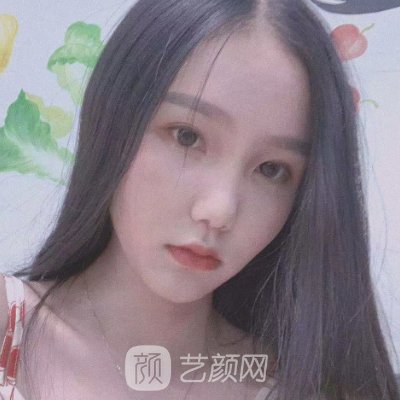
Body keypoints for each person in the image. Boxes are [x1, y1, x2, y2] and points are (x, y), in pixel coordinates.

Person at [0, 0, 399, 399]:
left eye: (271, 169)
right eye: (187, 137)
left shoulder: (300, 390)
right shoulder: (9, 328)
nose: (219, 210)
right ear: (114, 119)